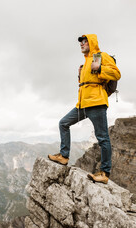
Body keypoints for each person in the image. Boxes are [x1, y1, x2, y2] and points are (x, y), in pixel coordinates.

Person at [48, 34, 121, 184]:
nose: (82, 43)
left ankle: (105, 173)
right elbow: (87, 83)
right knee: (63, 123)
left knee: (102, 138)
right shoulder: (86, 61)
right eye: (80, 42)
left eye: (85, 41)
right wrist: (80, 76)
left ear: (92, 42)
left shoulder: (101, 56)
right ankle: (64, 156)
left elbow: (116, 73)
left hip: (96, 103)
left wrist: (99, 67)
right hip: (82, 104)